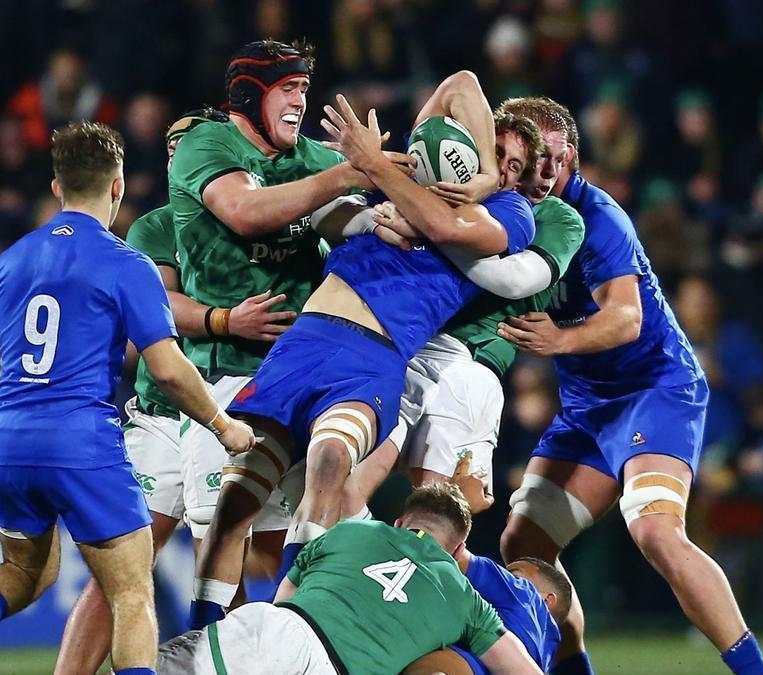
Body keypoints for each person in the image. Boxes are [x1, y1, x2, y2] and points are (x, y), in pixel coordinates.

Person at [193, 72, 541, 629]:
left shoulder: (511, 214)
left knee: (330, 462)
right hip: (305, 339)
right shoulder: (406, 178)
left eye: (514, 165)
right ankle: (200, 631)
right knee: (238, 493)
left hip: (375, 354)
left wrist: (472, 182)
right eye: (494, 148)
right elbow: (462, 84)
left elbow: (446, 225)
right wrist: (369, 215)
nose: (500, 165)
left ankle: (290, 624)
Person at [0, 121, 258, 675]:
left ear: (57, 188)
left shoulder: (8, 261)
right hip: (82, 440)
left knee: (28, 572)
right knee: (131, 590)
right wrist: (224, 425)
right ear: (119, 187)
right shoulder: (125, 263)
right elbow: (169, 371)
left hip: (7, 438)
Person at [491, 97, 763, 675]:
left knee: (655, 531)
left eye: (536, 152)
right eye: (510, 153)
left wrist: (556, 342)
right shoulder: (511, 214)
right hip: (588, 406)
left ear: (568, 155)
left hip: (655, 387)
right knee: (523, 545)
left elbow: (627, 319)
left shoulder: (598, 218)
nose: (521, 166)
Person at [167, 39, 416, 625]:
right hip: (223, 375)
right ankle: (213, 648)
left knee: (308, 529)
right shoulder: (207, 143)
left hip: (297, 374)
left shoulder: (312, 160)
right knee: (226, 524)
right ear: (251, 95)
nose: (301, 101)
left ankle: (297, 648)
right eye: (289, 89)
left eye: (306, 89)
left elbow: (352, 213)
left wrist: (389, 205)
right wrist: (343, 177)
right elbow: (246, 211)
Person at [53, 107, 304, 675]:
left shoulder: (259, 222)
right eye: (170, 150)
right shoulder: (156, 227)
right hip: (164, 413)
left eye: (190, 148)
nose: (178, 160)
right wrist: (222, 320)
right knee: (122, 569)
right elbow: (160, 307)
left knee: (244, 552)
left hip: (231, 403)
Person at [345, 82, 586, 516]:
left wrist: (424, 226)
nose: (545, 169)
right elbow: (457, 87)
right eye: (533, 153)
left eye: (557, 158)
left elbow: (513, 280)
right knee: (344, 486)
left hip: (472, 362)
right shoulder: (446, 183)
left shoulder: (557, 217)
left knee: (441, 512)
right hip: (402, 343)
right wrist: (382, 219)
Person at [160, 483, 542, 675]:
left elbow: (285, 597)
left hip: (275, 629)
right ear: (458, 550)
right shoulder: (467, 600)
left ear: (400, 522)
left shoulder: (352, 532)